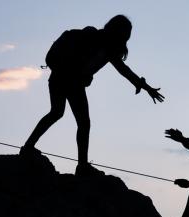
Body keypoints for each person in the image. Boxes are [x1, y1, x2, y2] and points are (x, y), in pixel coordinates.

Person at [21, 14, 165, 175]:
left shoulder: (102, 42)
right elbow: (123, 70)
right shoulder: (101, 42)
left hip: (57, 77)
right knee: (82, 123)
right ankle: (81, 166)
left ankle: (28, 147)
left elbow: (123, 70)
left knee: (56, 112)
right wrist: (145, 87)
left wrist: (144, 86)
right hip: (71, 81)